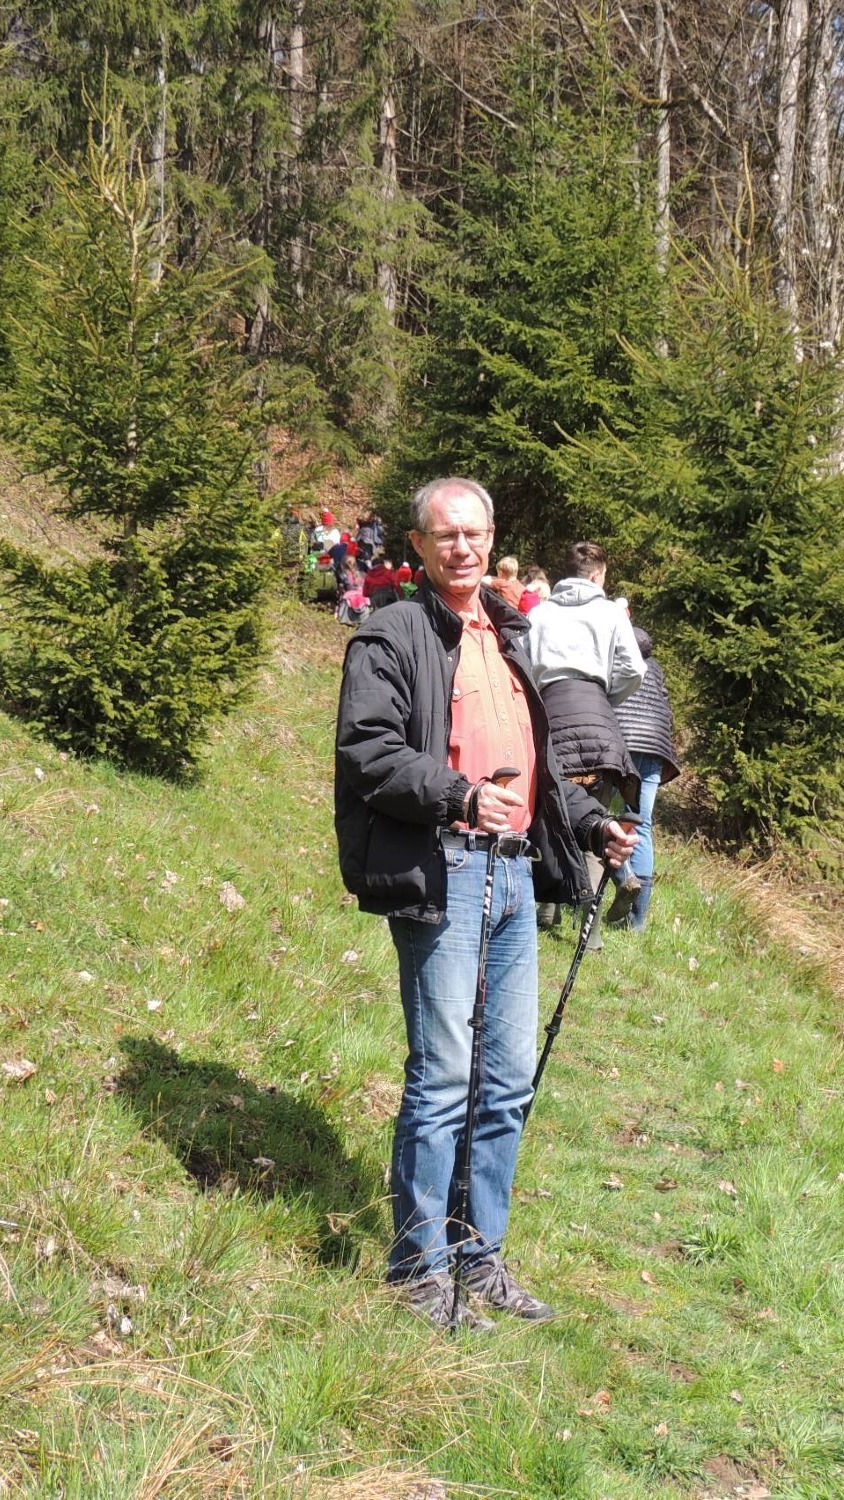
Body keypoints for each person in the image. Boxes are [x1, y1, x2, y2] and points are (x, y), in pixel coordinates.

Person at [335, 477, 638, 1330]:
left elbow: (537, 767)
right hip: (444, 867)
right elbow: (369, 750)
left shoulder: (509, 635)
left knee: (505, 1081)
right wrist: (460, 795)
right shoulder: (392, 633)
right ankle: (418, 1271)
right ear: (420, 545)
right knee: (444, 1077)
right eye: (445, 535)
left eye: (473, 533)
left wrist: (590, 824)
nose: (461, 547)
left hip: (512, 876)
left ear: (493, 537)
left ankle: (479, 1254)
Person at [526, 542, 645, 941]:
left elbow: (522, 665)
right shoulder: (611, 613)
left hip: (552, 717)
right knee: (598, 820)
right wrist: (604, 697)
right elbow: (634, 668)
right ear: (597, 575)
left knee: (549, 811)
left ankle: (547, 910)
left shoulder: (539, 613)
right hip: (597, 722)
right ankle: (589, 933)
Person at [606, 624, 679, 931]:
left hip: (620, 744)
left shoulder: (614, 662)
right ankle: (637, 924)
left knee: (602, 815)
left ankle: (624, 878)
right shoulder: (657, 669)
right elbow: (667, 713)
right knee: (642, 824)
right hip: (654, 747)